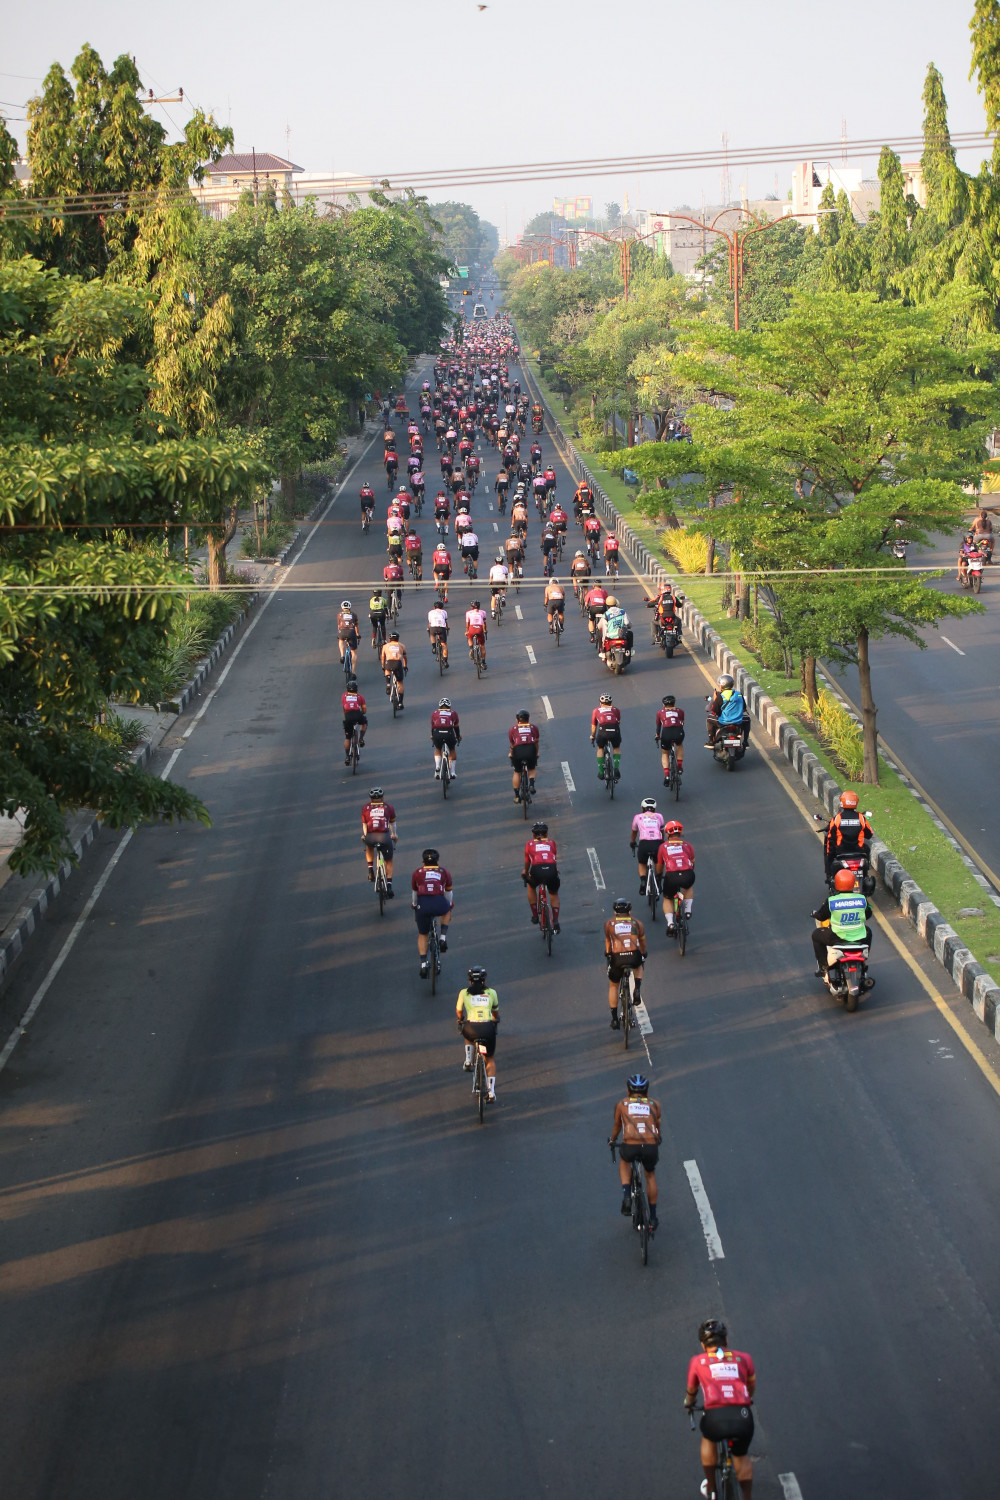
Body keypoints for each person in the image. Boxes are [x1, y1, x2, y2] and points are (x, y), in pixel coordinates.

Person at [684, 1319, 756, 1500]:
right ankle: (747, 1497)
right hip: (742, 1416)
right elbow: (750, 1387)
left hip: (715, 1418)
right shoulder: (745, 1358)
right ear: (726, 1341)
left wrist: (688, 1403)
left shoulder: (697, 1361)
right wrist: (747, 1398)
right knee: (741, 1455)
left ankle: (711, 1488)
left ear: (703, 1345)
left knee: (708, 1439)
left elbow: (691, 1391)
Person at [610, 1073, 661, 1228]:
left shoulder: (622, 1104)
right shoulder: (655, 1104)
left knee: (624, 1162)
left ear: (628, 1091)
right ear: (647, 1092)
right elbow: (657, 1127)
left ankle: (627, 1195)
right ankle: (653, 1217)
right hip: (650, 1146)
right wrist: (657, 1139)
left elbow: (617, 1126)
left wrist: (612, 1140)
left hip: (630, 1145)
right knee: (650, 1175)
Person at [811, 867, 873, 979]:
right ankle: (863, 960)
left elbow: (821, 916)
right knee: (868, 931)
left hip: (837, 937)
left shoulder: (832, 901)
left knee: (816, 935)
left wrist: (815, 914)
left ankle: (823, 967)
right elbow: (868, 914)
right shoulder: (862, 899)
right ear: (853, 883)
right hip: (860, 937)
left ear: (837, 884)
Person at [456, 966, 500, 1101]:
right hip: (487, 1028)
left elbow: (459, 1011)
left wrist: (461, 1019)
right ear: (484, 981)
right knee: (489, 1059)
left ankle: (468, 1060)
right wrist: (494, 1019)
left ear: (470, 981)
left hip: (471, 1028)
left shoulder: (464, 993)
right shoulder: (492, 993)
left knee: (467, 1034)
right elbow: (495, 1012)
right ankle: (491, 1092)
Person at [604, 897, 647, 1027]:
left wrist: (608, 954)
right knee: (639, 964)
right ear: (630, 912)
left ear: (615, 913)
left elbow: (608, 942)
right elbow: (642, 940)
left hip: (618, 958)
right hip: (633, 956)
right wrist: (643, 953)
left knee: (613, 985)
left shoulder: (609, 924)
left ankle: (614, 1019)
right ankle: (637, 988)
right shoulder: (636, 923)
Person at [412, 849, 453, 977]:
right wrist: (449, 904)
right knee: (447, 910)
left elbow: (414, 893)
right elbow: (449, 892)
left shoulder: (417, 873)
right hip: (438, 901)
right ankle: (442, 938)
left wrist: (414, 905)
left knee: (423, 934)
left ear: (423, 862)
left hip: (423, 904)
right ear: (438, 861)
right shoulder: (444, 872)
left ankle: (423, 964)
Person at [823, 790, 873, 883]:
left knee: (828, 850)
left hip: (841, 852)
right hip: (859, 852)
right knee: (867, 849)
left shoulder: (837, 818)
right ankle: (866, 873)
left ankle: (829, 876)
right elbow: (869, 834)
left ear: (842, 802)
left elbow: (831, 838)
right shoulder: (861, 818)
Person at [655, 819, 695, 932]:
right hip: (687, 873)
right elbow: (692, 862)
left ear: (667, 834)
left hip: (671, 876)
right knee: (688, 887)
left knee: (668, 898)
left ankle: (671, 923)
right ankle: (688, 911)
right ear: (680, 833)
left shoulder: (663, 846)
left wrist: (659, 875)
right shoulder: (688, 845)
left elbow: (659, 865)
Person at [522, 820, 561, 931]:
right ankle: (555, 920)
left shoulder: (529, 844)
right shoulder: (552, 842)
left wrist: (525, 872)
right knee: (553, 893)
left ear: (533, 835)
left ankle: (535, 915)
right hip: (551, 869)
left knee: (531, 887)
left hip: (537, 870)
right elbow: (553, 857)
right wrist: (556, 870)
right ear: (547, 834)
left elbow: (527, 862)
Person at [361, 787, 398, 892]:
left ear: (371, 799)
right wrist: (394, 835)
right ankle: (389, 885)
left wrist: (365, 835)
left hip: (371, 836)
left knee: (368, 846)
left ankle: (370, 870)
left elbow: (365, 825)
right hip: (384, 837)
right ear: (383, 798)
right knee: (389, 861)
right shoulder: (389, 807)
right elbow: (393, 824)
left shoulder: (366, 808)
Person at [630, 797, 666, 896]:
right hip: (657, 843)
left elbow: (634, 832)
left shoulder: (638, 817)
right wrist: (662, 842)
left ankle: (643, 880)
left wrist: (632, 842)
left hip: (644, 843)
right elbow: (662, 831)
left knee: (642, 863)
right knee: (659, 861)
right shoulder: (659, 816)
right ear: (654, 809)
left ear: (642, 808)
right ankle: (658, 880)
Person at [706, 674, 750, 749]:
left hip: (723, 722)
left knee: (709, 718)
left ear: (722, 686)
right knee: (747, 719)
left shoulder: (721, 696)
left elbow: (714, 709)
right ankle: (745, 741)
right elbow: (744, 708)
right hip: (738, 722)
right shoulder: (739, 694)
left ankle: (711, 741)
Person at [508, 709, 540, 801]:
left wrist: (511, 754)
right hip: (530, 749)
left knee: (517, 772)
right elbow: (536, 742)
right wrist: (536, 753)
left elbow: (512, 745)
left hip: (518, 750)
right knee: (532, 769)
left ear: (517, 720)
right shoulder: (534, 727)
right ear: (528, 719)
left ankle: (517, 796)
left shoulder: (513, 729)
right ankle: (531, 785)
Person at [591, 693, 622, 781]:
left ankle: (601, 772)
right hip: (614, 729)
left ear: (600, 703)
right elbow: (618, 722)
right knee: (616, 747)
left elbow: (594, 726)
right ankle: (616, 768)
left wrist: (592, 736)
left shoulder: (596, 710)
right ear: (611, 703)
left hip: (603, 731)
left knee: (600, 748)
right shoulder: (616, 710)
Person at [655, 694, 686, 783]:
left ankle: (667, 775)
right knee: (679, 745)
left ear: (663, 705)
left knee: (665, 753)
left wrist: (657, 736)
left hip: (666, 733)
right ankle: (679, 767)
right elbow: (682, 723)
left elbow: (658, 726)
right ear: (674, 703)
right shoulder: (680, 711)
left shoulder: (660, 712)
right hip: (678, 731)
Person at [431, 696, 461, 778]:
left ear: (439, 706)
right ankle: (452, 772)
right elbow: (456, 727)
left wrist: (432, 736)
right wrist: (458, 736)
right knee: (452, 749)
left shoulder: (435, 713)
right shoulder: (453, 713)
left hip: (437, 733)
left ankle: (437, 766)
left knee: (438, 749)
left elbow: (433, 727)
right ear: (449, 706)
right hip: (449, 733)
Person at [341, 675, 368, 765]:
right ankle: (361, 739)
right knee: (364, 723)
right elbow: (364, 710)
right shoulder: (360, 697)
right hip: (357, 713)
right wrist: (361, 713)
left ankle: (347, 757)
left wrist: (346, 718)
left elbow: (344, 708)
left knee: (347, 738)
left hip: (348, 715)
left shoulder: (344, 696)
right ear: (357, 689)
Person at [597, 594, 632, 659]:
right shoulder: (622, 611)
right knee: (630, 634)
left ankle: (602, 651)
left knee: (600, 633)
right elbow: (627, 623)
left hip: (610, 637)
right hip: (622, 635)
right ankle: (628, 650)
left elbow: (601, 627)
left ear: (607, 605)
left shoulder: (606, 614)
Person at [380, 630, 407, 707]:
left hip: (389, 662)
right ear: (398, 638)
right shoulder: (402, 645)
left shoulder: (385, 646)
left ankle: (388, 683)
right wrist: (405, 666)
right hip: (398, 663)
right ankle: (400, 702)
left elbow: (383, 657)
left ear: (389, 639)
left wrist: (383, 666)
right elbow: (405, 658)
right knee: (400, 683)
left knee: (387, 669)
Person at [465, 598, 488, 667]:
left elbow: (467, 624)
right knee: (482, 645)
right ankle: (483, 662)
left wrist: (467, 631)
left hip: (472, 628)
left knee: (469, 638)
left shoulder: (468, 613)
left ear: (472, 607)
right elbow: (484, 624)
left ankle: (471, 648)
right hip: (479, 628)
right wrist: (485, 630)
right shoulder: (483, 612)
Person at [584, 579, 608, 644]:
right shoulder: (604, 591)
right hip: (602, 608)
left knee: (591, 620)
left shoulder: (590, 592)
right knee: (606, 620)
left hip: (593, 608)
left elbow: (586, 603)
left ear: (593, 585)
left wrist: (587, 608)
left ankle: (592, 636)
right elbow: (607, 601)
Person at [427, 600, 450, 667]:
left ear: (434, 607)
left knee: (432, 635)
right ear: (442, 607)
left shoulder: (430, 612)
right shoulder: (444, 612)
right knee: (444, 645)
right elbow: (445, 621)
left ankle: (434, 647)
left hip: (433, 627)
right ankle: (445, 661)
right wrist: (447, 627)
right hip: (441, 628)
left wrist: (428, 628)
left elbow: (430, 623)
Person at [336, 599, 359, 665]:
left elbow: (339, 626)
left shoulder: (339, 615)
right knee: (353, 652)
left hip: (342, 632)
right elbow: (356, 626)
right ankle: (353, 670)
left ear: (342, 608)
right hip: (351, 632)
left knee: (340, 640)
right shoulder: (354, 615)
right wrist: (358, 635)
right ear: (350, 607)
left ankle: (342, 655)